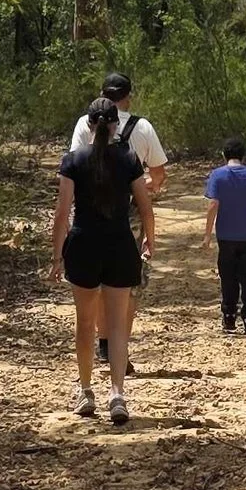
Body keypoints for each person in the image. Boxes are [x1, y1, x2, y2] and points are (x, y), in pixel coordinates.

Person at [52, 92, 156, 424]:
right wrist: (149, 240)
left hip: (83, 244)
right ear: (115, 126)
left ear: (88, 124)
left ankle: (85, 390)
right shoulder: (128, 158)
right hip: (119, 245)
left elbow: (62, 214)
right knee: (116, 326)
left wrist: (56, 256)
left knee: (84, 323)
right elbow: (145, 206)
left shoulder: (73, 160)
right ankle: (117, 394)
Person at [67, 71, 166, 371]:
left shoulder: (84, 123)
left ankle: (103, 343)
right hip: (129, 213)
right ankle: (119, 347)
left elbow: (74, 166)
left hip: (88, 212)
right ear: (128, 97)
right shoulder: (142, 127)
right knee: (127, 282)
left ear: (102, 95)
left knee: (94, 282)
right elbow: (158, 175)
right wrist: (141, 187)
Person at [203, 137, 246, 336]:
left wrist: (207, 234)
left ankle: (229, 316)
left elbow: (213, 204)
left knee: (228, 277)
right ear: (243, 156)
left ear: (224, 155)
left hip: (226, 237)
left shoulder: (217, 175)